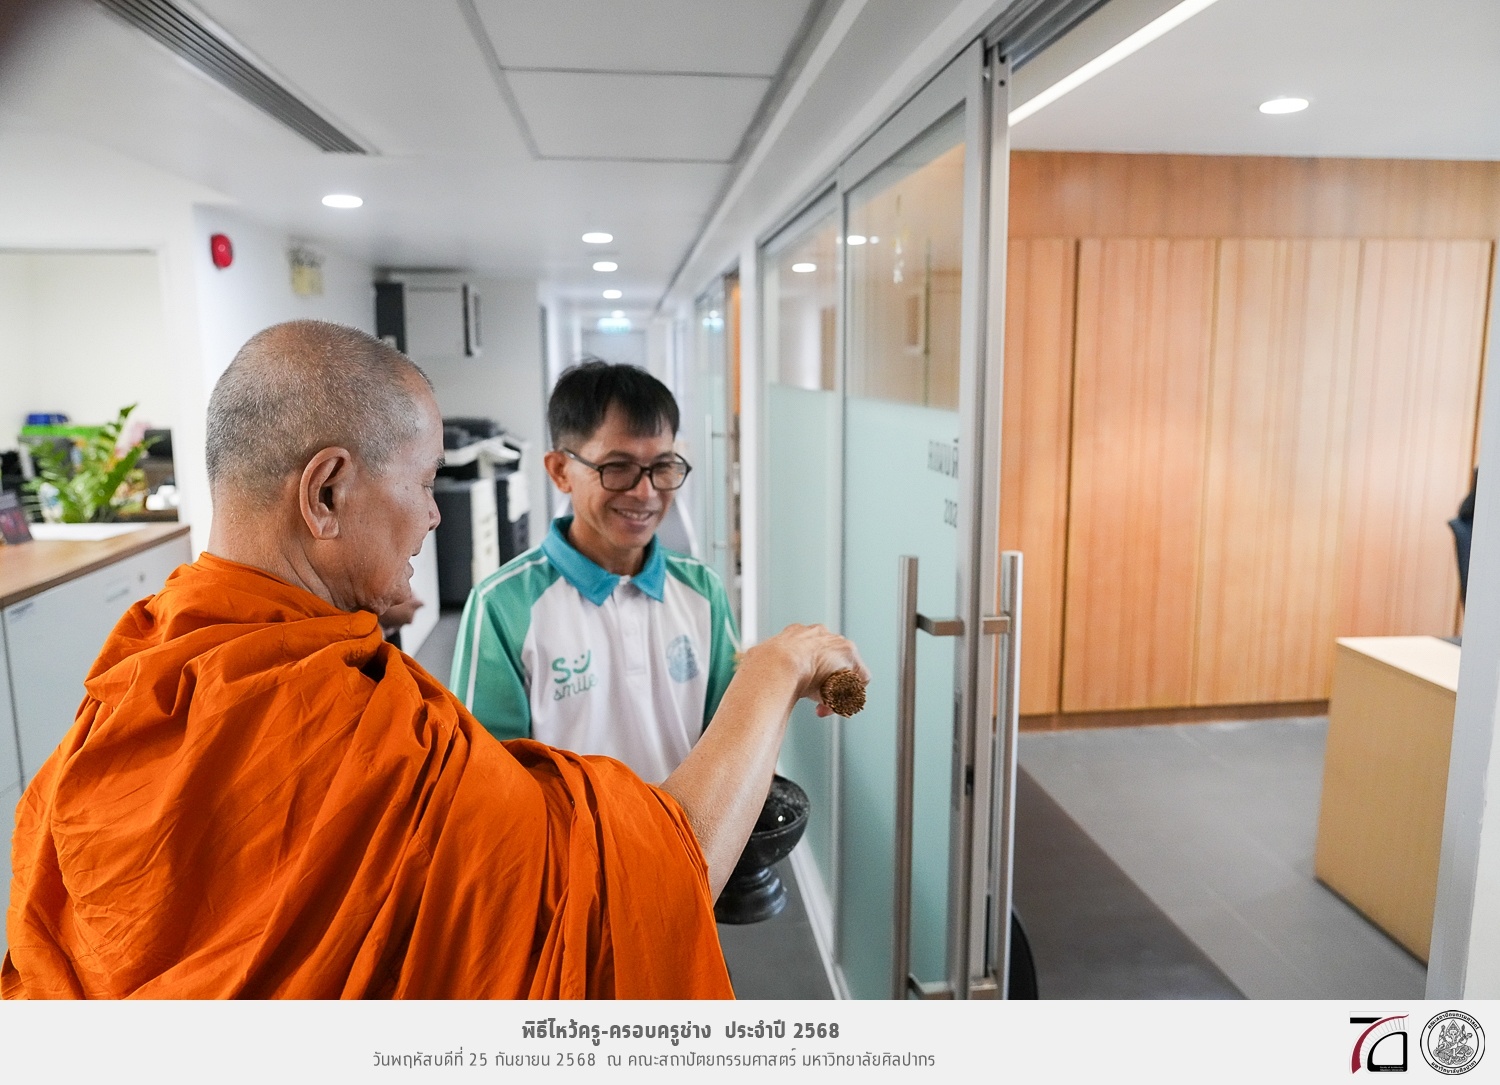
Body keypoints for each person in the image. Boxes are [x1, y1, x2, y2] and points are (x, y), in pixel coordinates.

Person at [1, 320, 865, 999]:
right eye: (422, 483)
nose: (435, 515)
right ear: (327, 492)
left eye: (662, 468)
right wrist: (775, 667)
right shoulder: (392, 698)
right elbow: (635, 881)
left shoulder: (147, 668)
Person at [451, 361, 734, 783]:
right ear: (560, 471)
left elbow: (730, 740)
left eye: (662, 467)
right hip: (566, 830)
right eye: (617, 467)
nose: (645, 492)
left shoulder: (702, 590)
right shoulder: (503, 606)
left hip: (688, 827)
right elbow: (487, 780)